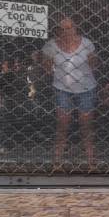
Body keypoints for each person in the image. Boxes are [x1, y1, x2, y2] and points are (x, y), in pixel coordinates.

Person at [39, 16, 98, 167]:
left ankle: (91, 162)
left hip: (85, 89)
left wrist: (92, 61)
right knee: (62, 125)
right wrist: (44, 61)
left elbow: (95, 65)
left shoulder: (86, 43)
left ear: (75, 27)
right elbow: (46, 69)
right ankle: (57, 162)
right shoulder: (51, 46)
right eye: (63, 28)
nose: (67, 31)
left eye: (69, 27)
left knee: (86, 126)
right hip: (62, 89)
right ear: (58, 30)